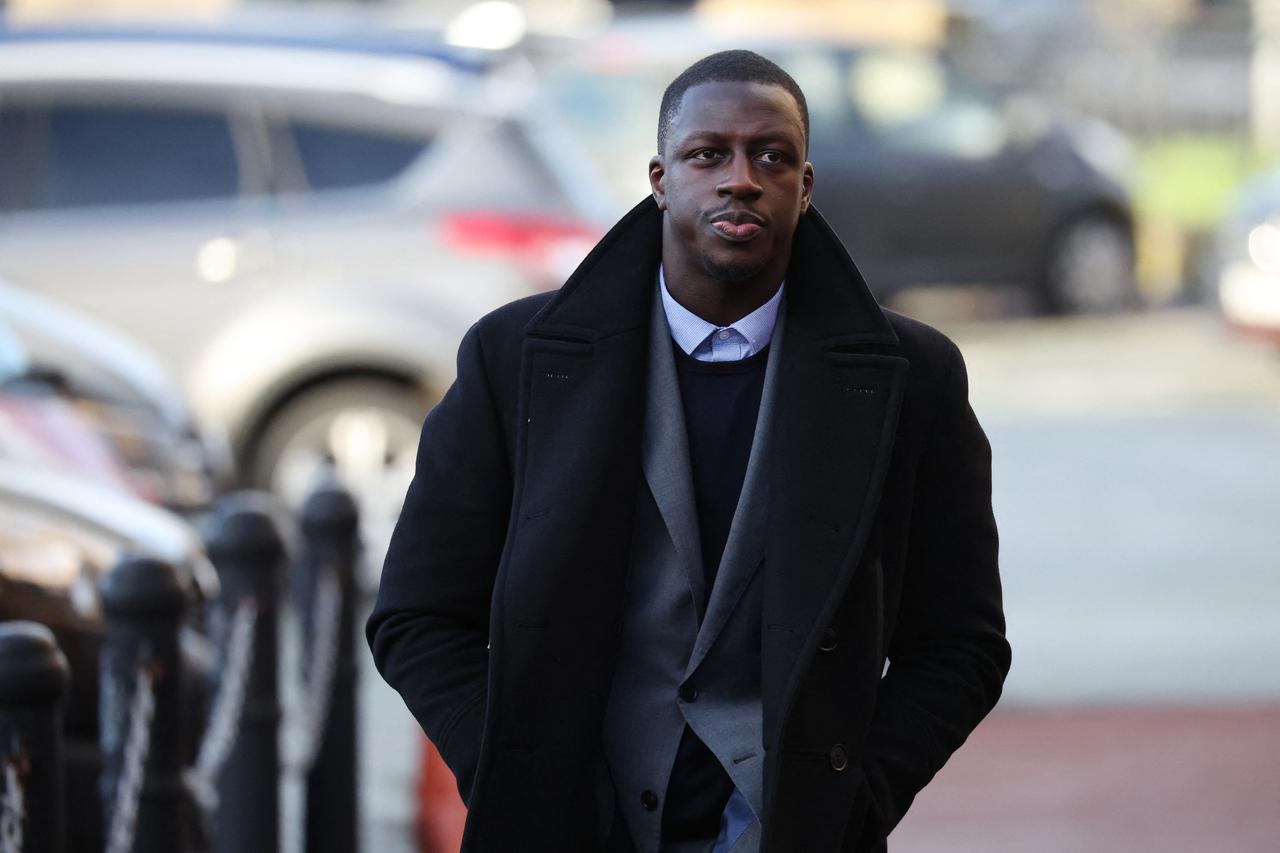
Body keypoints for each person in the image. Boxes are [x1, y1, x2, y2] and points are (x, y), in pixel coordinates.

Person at [367, 50, 1011, 853]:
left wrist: (856, 793)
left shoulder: (912, 378)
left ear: (805, 188)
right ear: (661, 178)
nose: (740, 178)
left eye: (771, 156)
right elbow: (416, 615)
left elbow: (962, 644)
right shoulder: (516, 359)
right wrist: (513, 768)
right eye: (708, 154)